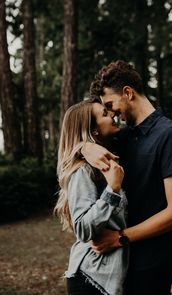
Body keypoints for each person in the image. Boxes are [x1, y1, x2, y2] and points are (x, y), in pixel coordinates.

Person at [81, 60, 172, 295]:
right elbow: (78, 137)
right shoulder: (123, 137)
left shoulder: (169, 135)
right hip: (119, 262)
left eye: (110, 104)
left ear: (128, 93)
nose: (110, 114)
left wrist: (119, 238)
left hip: (153, 261)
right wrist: (83, 147)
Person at [54, 99, 129, 295]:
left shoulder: (109, 157)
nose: (112, 114)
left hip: (109, 278)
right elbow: (82, 228)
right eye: (104, 114)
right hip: (91, 279)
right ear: (93, 130)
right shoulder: (83, 170)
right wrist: (112, 190)